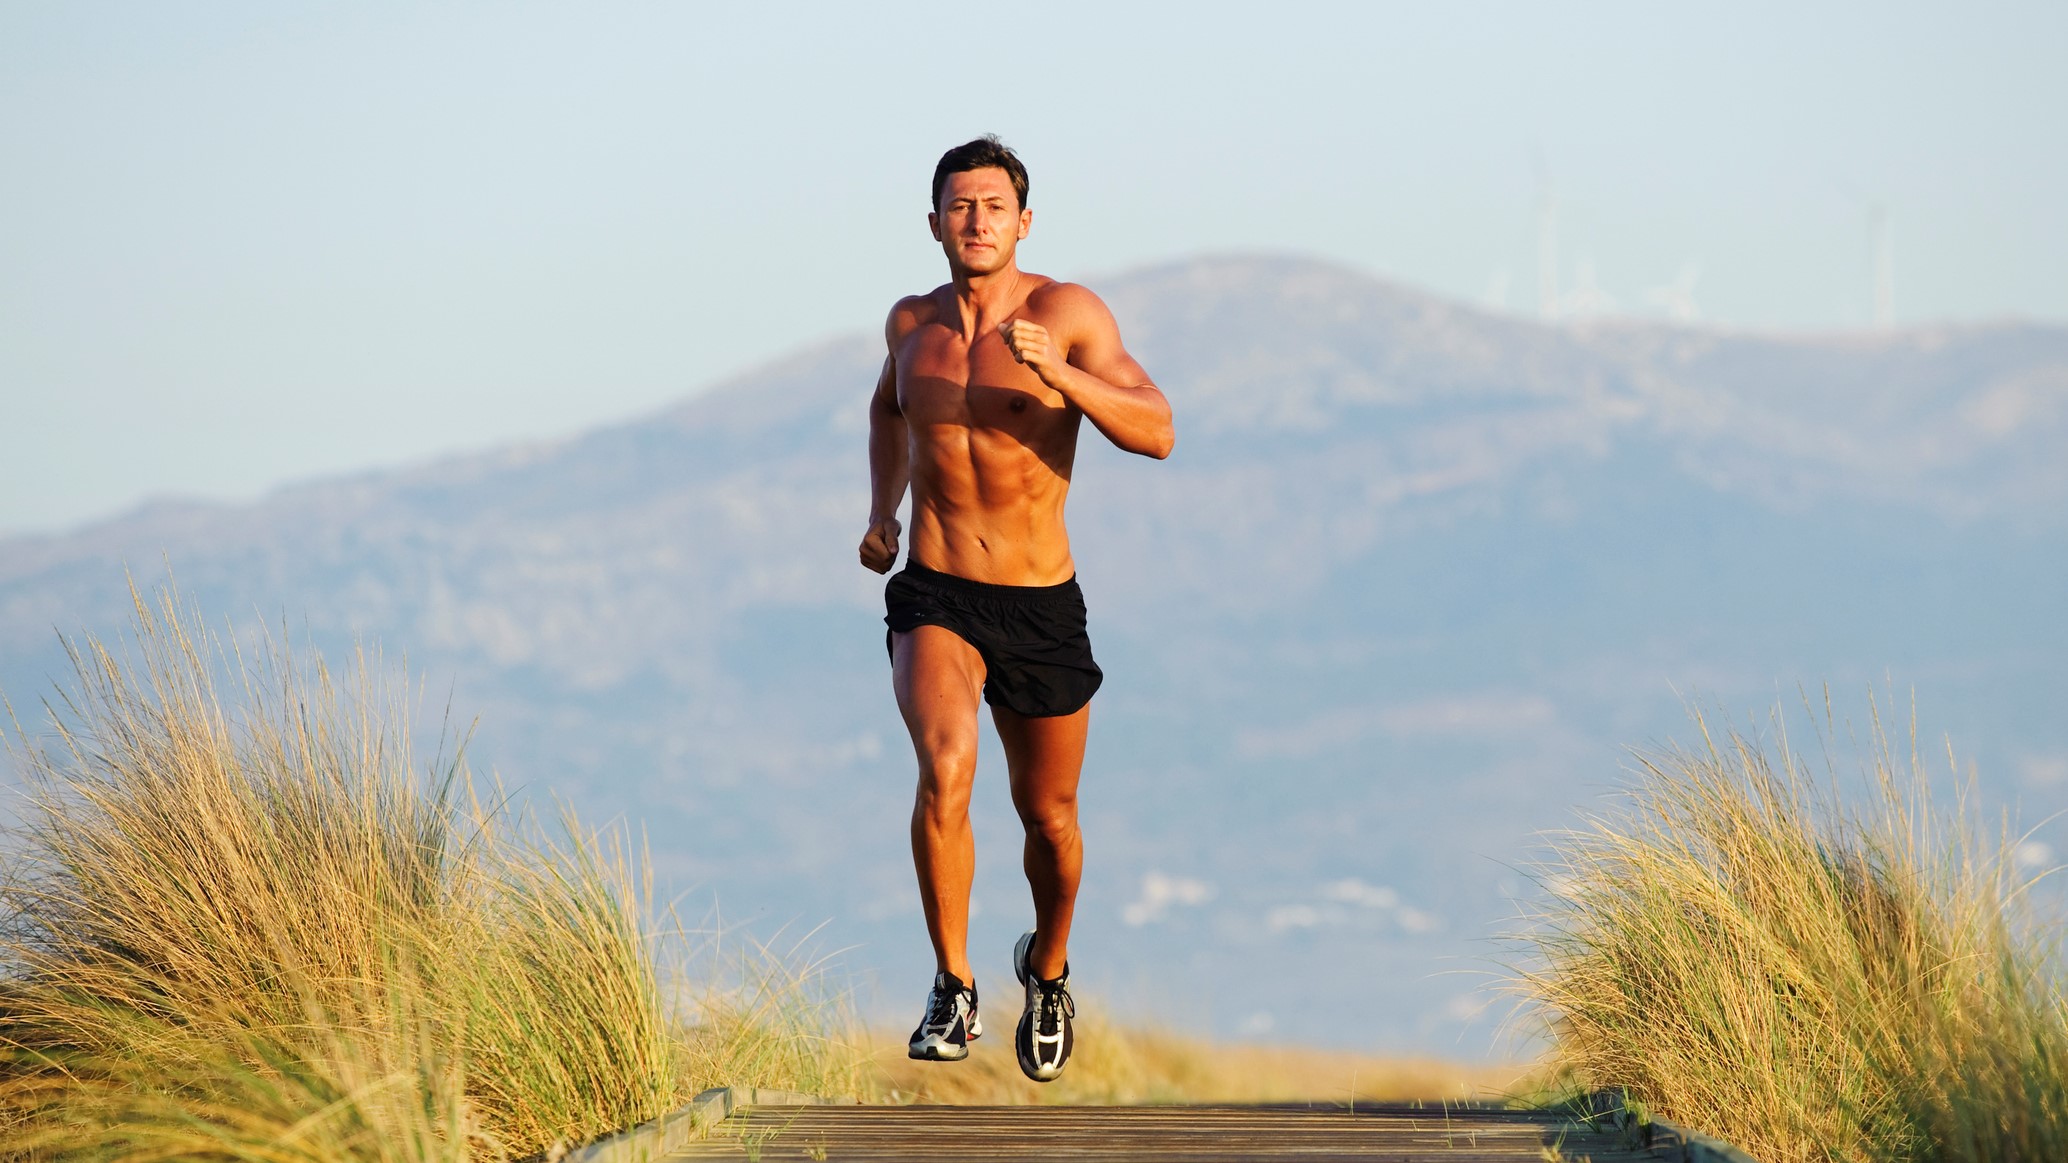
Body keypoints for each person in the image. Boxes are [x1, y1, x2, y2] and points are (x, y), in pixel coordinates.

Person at [858, 136, 1174, 1082]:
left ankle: (1048, 966)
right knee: (945, 766)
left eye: (994, 206)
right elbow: (888, 411)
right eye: (960, 206)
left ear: (1024, 222)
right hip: (936, 589)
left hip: (1039, 603)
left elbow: (1158, 430)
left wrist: (1062, 376)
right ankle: (953, 984)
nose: (977, 220)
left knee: (1051, 817)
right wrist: (882, 511)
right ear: (934, 223)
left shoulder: (1067, 314)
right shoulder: (911, 323)